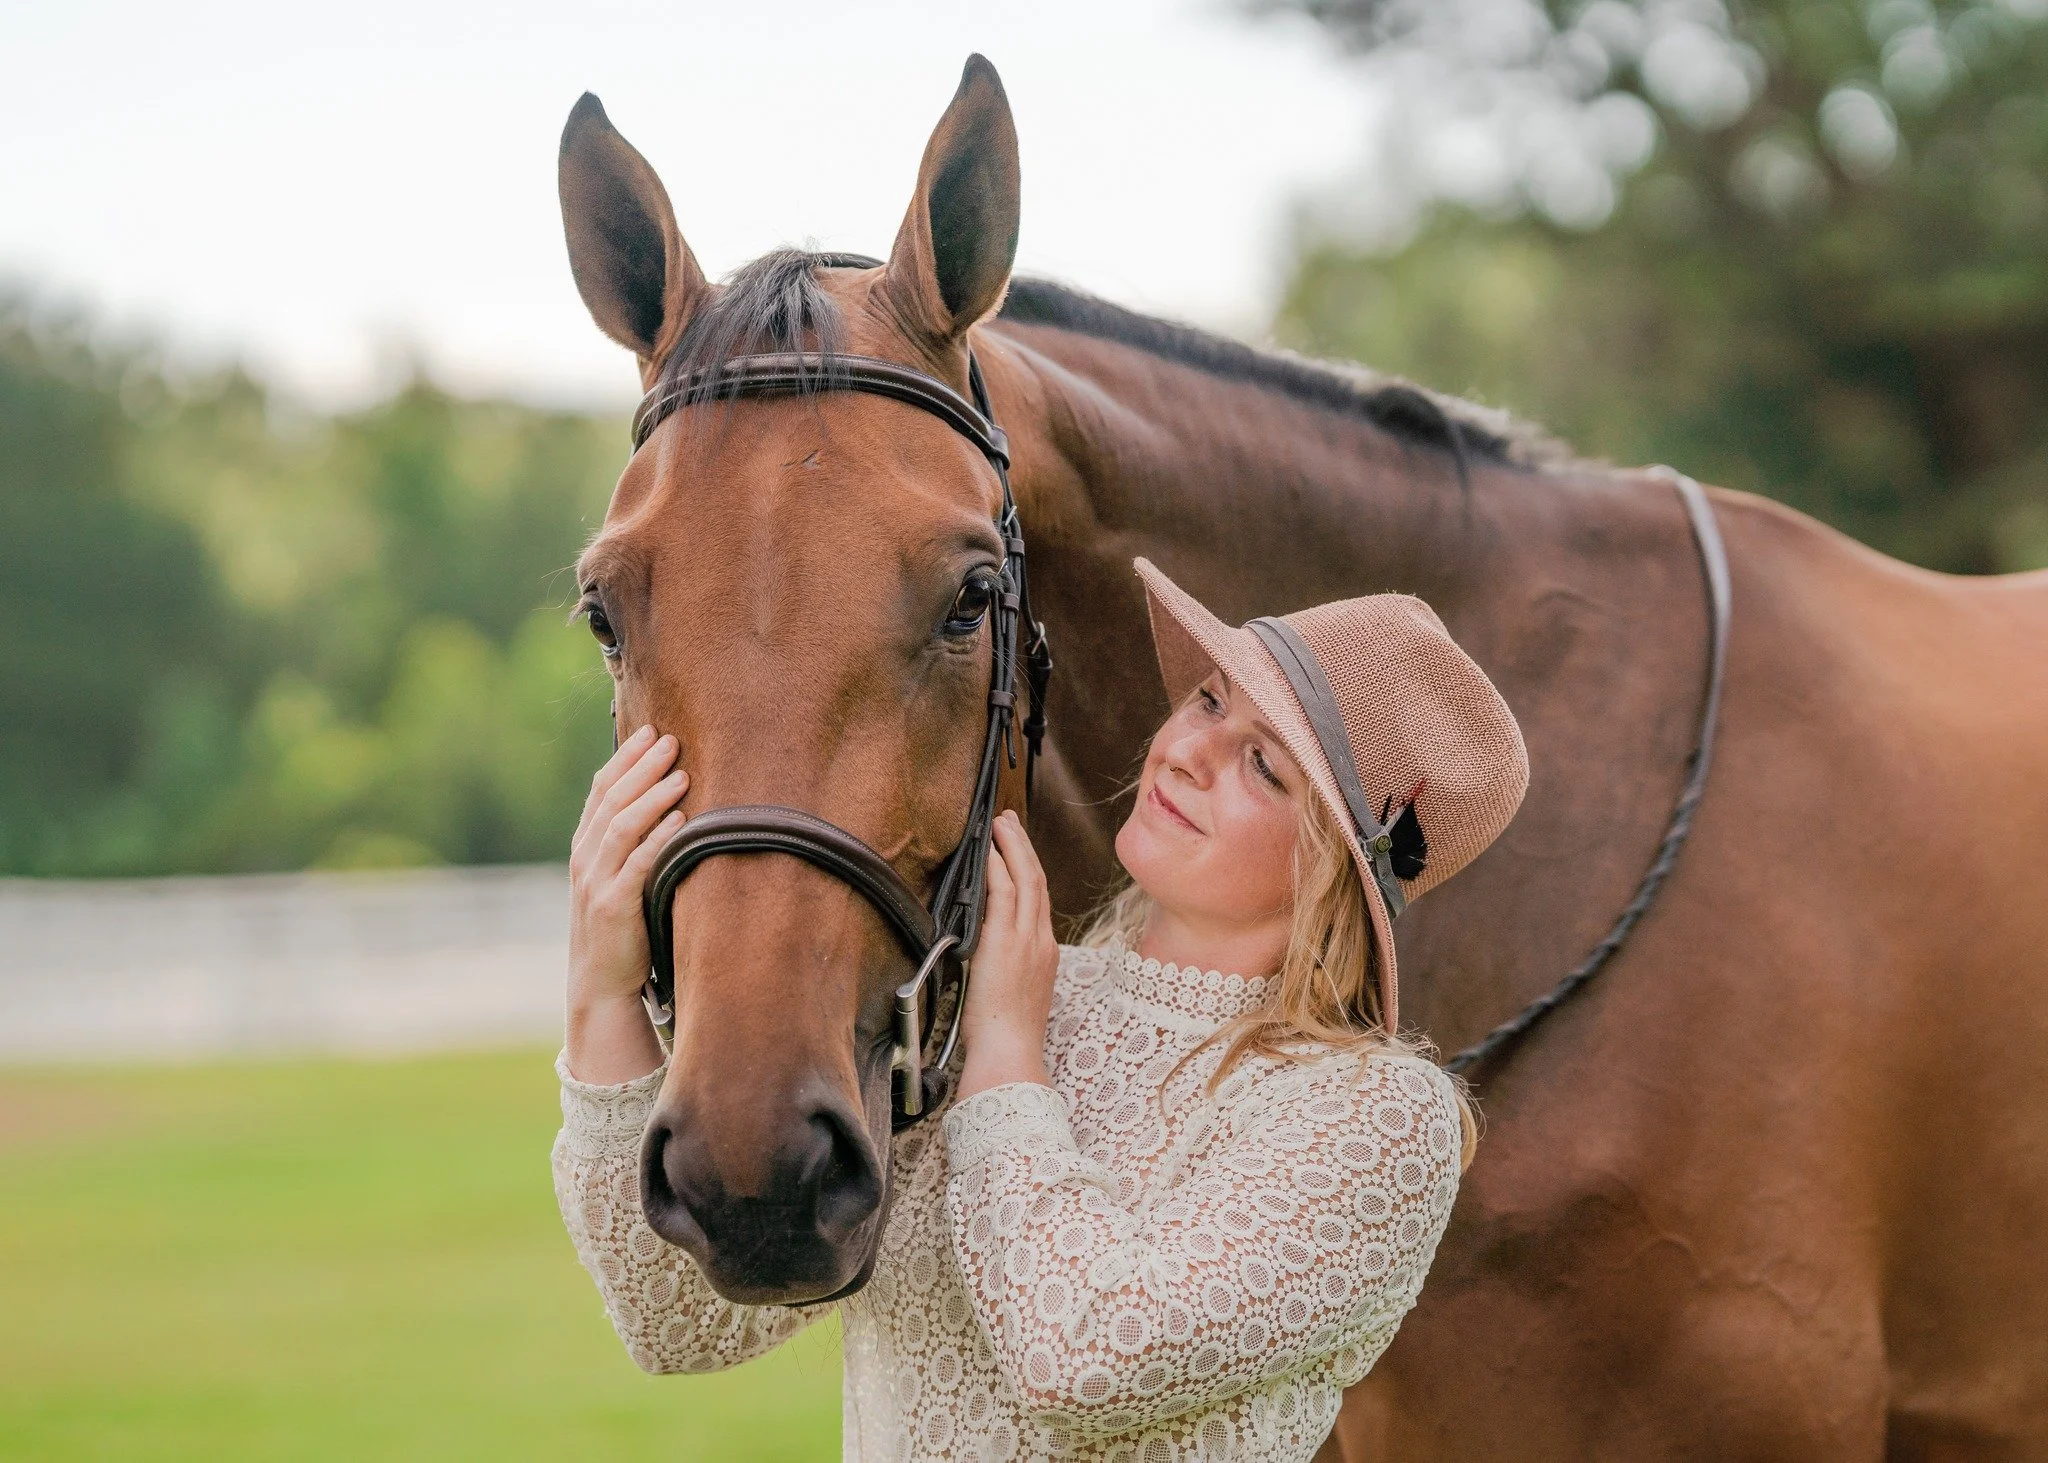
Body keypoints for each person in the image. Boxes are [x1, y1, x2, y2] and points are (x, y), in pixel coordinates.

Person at [553, 557, 1529, 1461]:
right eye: (1206, 700)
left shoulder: (1375, 1121)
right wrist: (602, 992)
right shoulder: (976, 997)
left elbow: (1080, 1354)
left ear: (1340, 865)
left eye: (1263, 763)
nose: (1188, 751)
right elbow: (680, 1322)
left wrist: (1008, 1055)